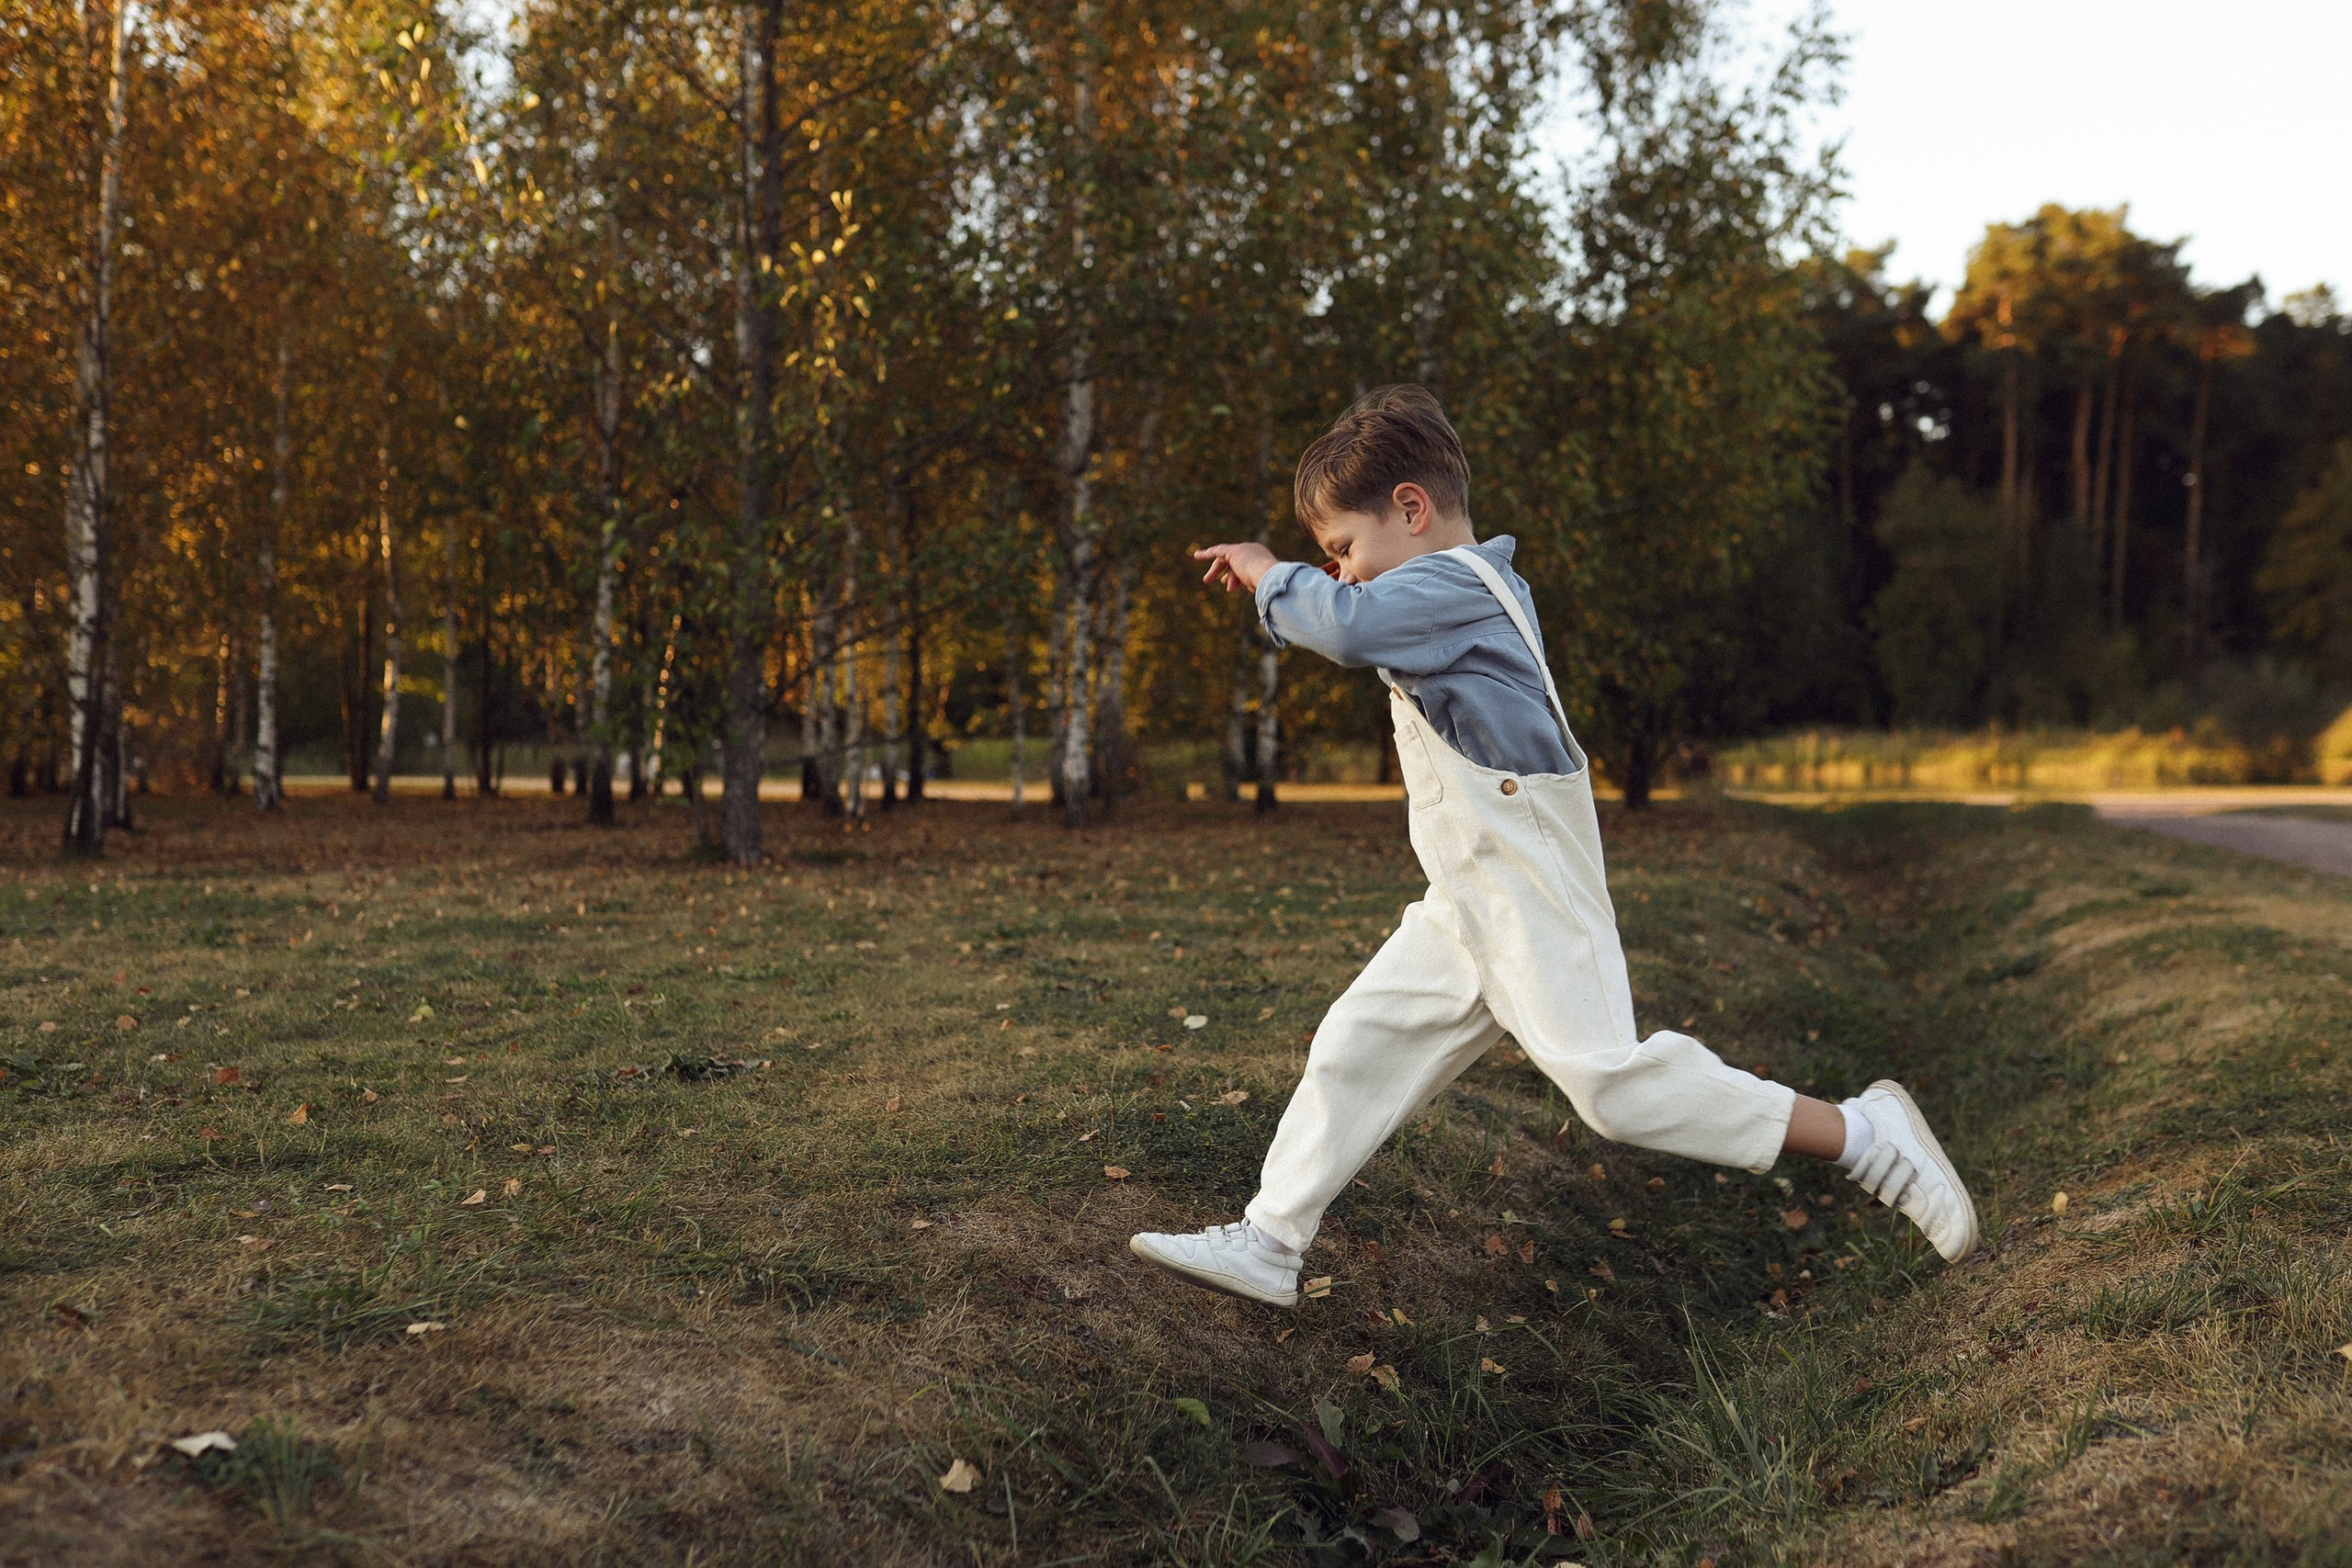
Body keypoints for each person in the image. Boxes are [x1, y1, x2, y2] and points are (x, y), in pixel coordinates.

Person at [1128, 385, 1977, 1307]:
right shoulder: (1447, 587)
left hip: (1527, 883)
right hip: (1468, 895)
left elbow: (1348, 630)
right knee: (1358, 1044)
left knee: (1609, 1085)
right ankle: (1270, 1240)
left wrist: (1267, 570)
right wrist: (1311, 576)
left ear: (1410, 511)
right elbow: (1360, 621)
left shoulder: (1451, 585)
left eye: (1342, 549)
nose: (1336, 574)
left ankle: (1862, 1134)